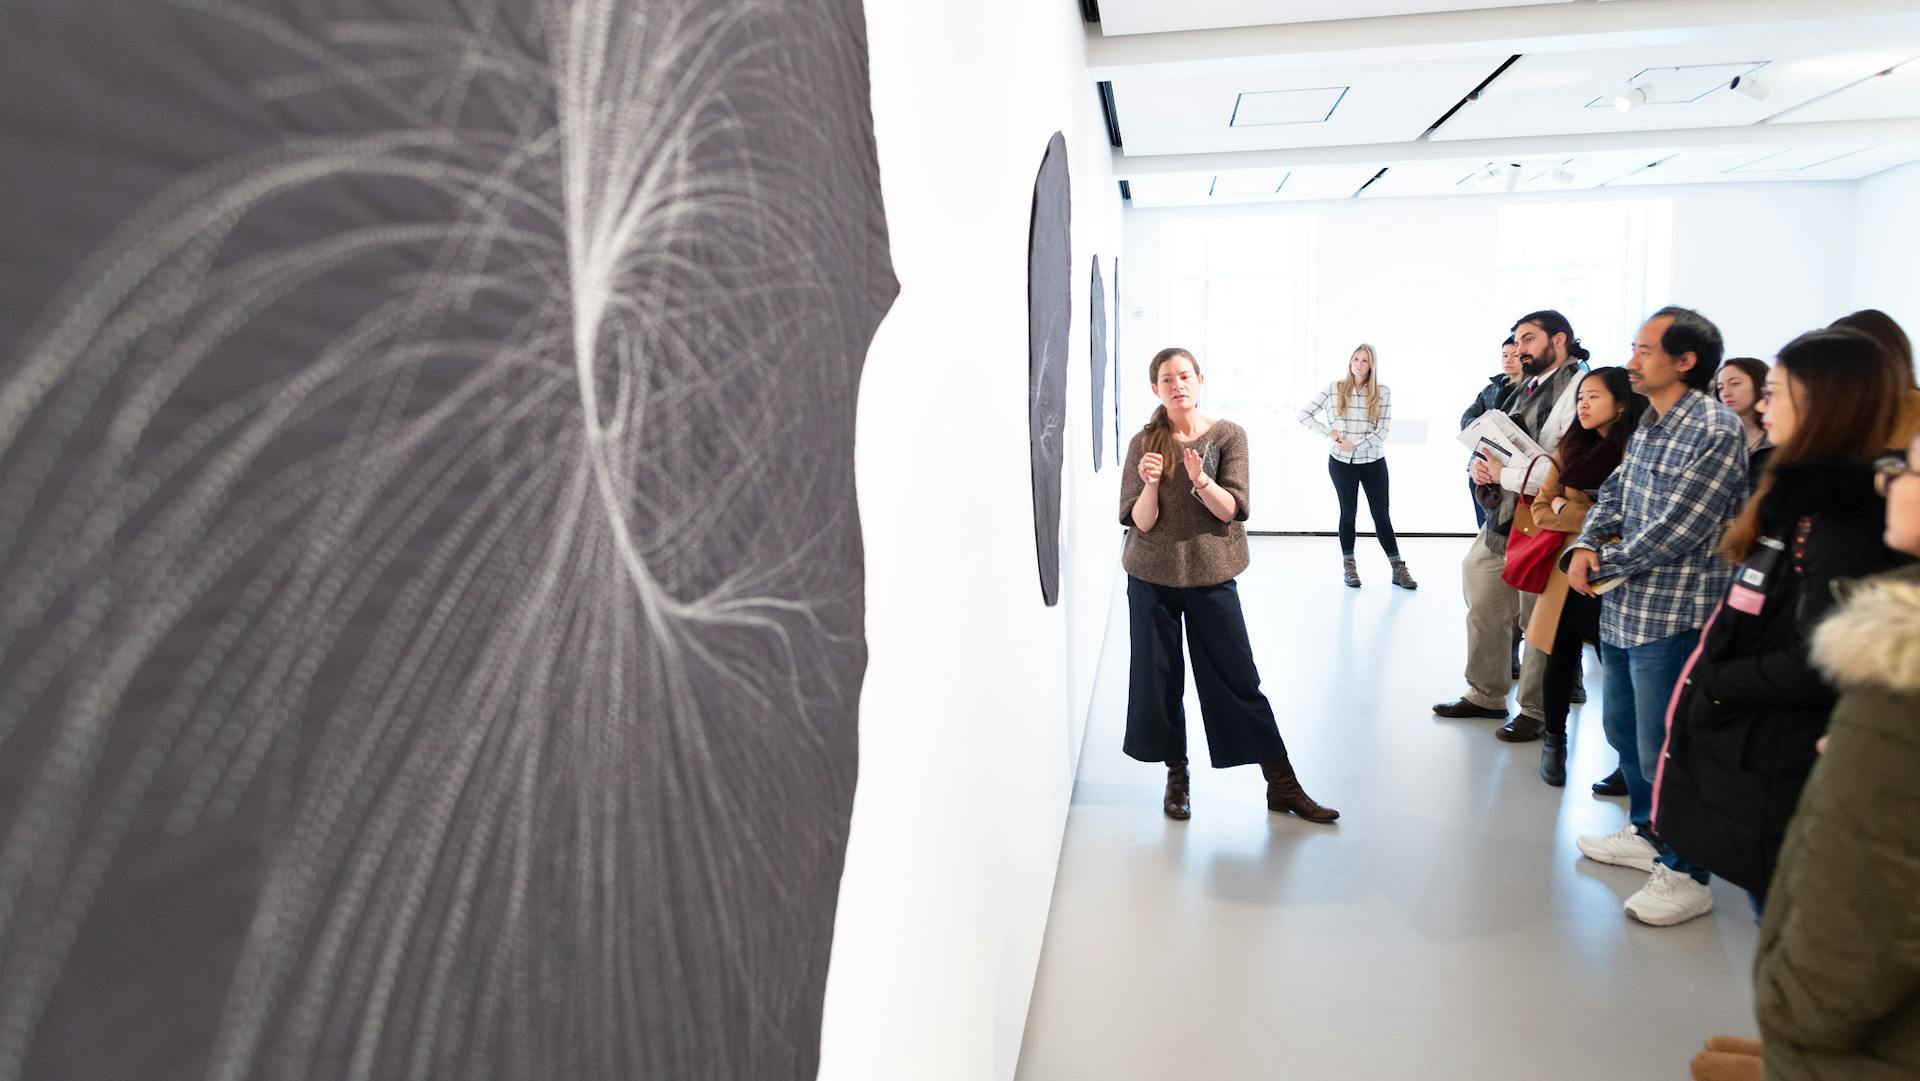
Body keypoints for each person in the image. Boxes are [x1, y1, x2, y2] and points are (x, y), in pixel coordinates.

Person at [1655, 328, 1917, 914]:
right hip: (1760, 747)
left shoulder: (1844, 522)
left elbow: (1817, 656)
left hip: (1781, 753)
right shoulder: (1796, 499)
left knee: (1784, 911)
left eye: (1775, 393)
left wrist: (1720, 680)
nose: (1762, 406)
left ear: (1825, 403)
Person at [1691, 433, 1920, 1081]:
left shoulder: (1902, 655)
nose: (1888, 481)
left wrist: (1793, 1020)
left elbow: (1867, 886)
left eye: (1906, 468)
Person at [1568, 306, 1746, 927]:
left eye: (1645, 349)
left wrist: (1602, 558)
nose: (1633, 359)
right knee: (1625, 734)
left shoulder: (1716, 429)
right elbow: (1615, 493)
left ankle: (1688, 870)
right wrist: (1586, 544)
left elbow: (1681, 528)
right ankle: (1646, 832)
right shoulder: (1648, 423)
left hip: (1675, 614)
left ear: (1685, 361)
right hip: (1623, 610)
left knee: (1670, 747)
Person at [1123, 348, 1338, 824]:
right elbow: (1140, 522)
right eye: (1166, 379)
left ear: (1200, 380)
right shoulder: (1146, 442)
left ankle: (1281, 783)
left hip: (1211, 575)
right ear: (1155, 389)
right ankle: (1177, 777)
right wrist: (1152, 485)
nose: (1177, 384)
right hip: (1151, 578)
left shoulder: (1228, 436)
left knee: (1239, 680)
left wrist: (1200, 479)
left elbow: (1232, 509)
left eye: (1184, 375)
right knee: (1159, 683)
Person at [1432, 310, 1588, 738]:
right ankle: (1485, 694)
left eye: (1530, 338)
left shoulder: (1578, 389)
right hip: (1503, 513)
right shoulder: (1524, 386)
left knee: (1535, 614)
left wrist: (1502, 474)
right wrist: (1484, 468)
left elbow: (1562, 466)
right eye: (1518, 340)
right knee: (1482, 589)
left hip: (1544, 517)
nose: (1521, 348)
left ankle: (1536, 710)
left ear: (1560, 340)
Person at [1522, 367, 1647, 786]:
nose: (1584, 405)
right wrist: (1584, 516)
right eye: (1581, 398)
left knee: (1619, 667)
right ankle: (1554, 742)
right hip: (1568, 572)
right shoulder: (1569, 447)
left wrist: (1568, 511)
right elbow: (1540, 510)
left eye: (1593, 397)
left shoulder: (1637, 450)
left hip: (1616, 574)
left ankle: (1627, 760)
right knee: (1559, 657)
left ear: (1622, 405)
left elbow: (1632, 517)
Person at [1298, 344, 1416, 590]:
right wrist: (1330, 433)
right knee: (1348, 514)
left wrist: (1356, 445)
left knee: (1382, 516)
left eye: (1364, 360)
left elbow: (1383, 430)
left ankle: (1398, 568)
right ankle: (1349, 566)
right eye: (1356, 359)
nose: (1359, 364)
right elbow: (1305, 415)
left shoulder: (1382, 392)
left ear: (1371, 365)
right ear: (1349, 362)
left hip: (1373, 461)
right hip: (1341, 464)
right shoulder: (1334, 389)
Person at [1462, 337, 1524, 528]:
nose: (1508, 360)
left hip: (1512, 471)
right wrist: (1489, 430)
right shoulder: (1490, 390)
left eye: (1515, 355)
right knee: (1484, 530)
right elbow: (1467, 419)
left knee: (1508, 531)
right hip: (1481, 466)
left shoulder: (1531, 391)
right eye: (1504, 355)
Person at [1716, 357, 1773, 488]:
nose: (1726, 393)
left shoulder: (1780, 437)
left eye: (1735, 383)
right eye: (1720, 388)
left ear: (1760, 385)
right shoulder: (1719, 437)